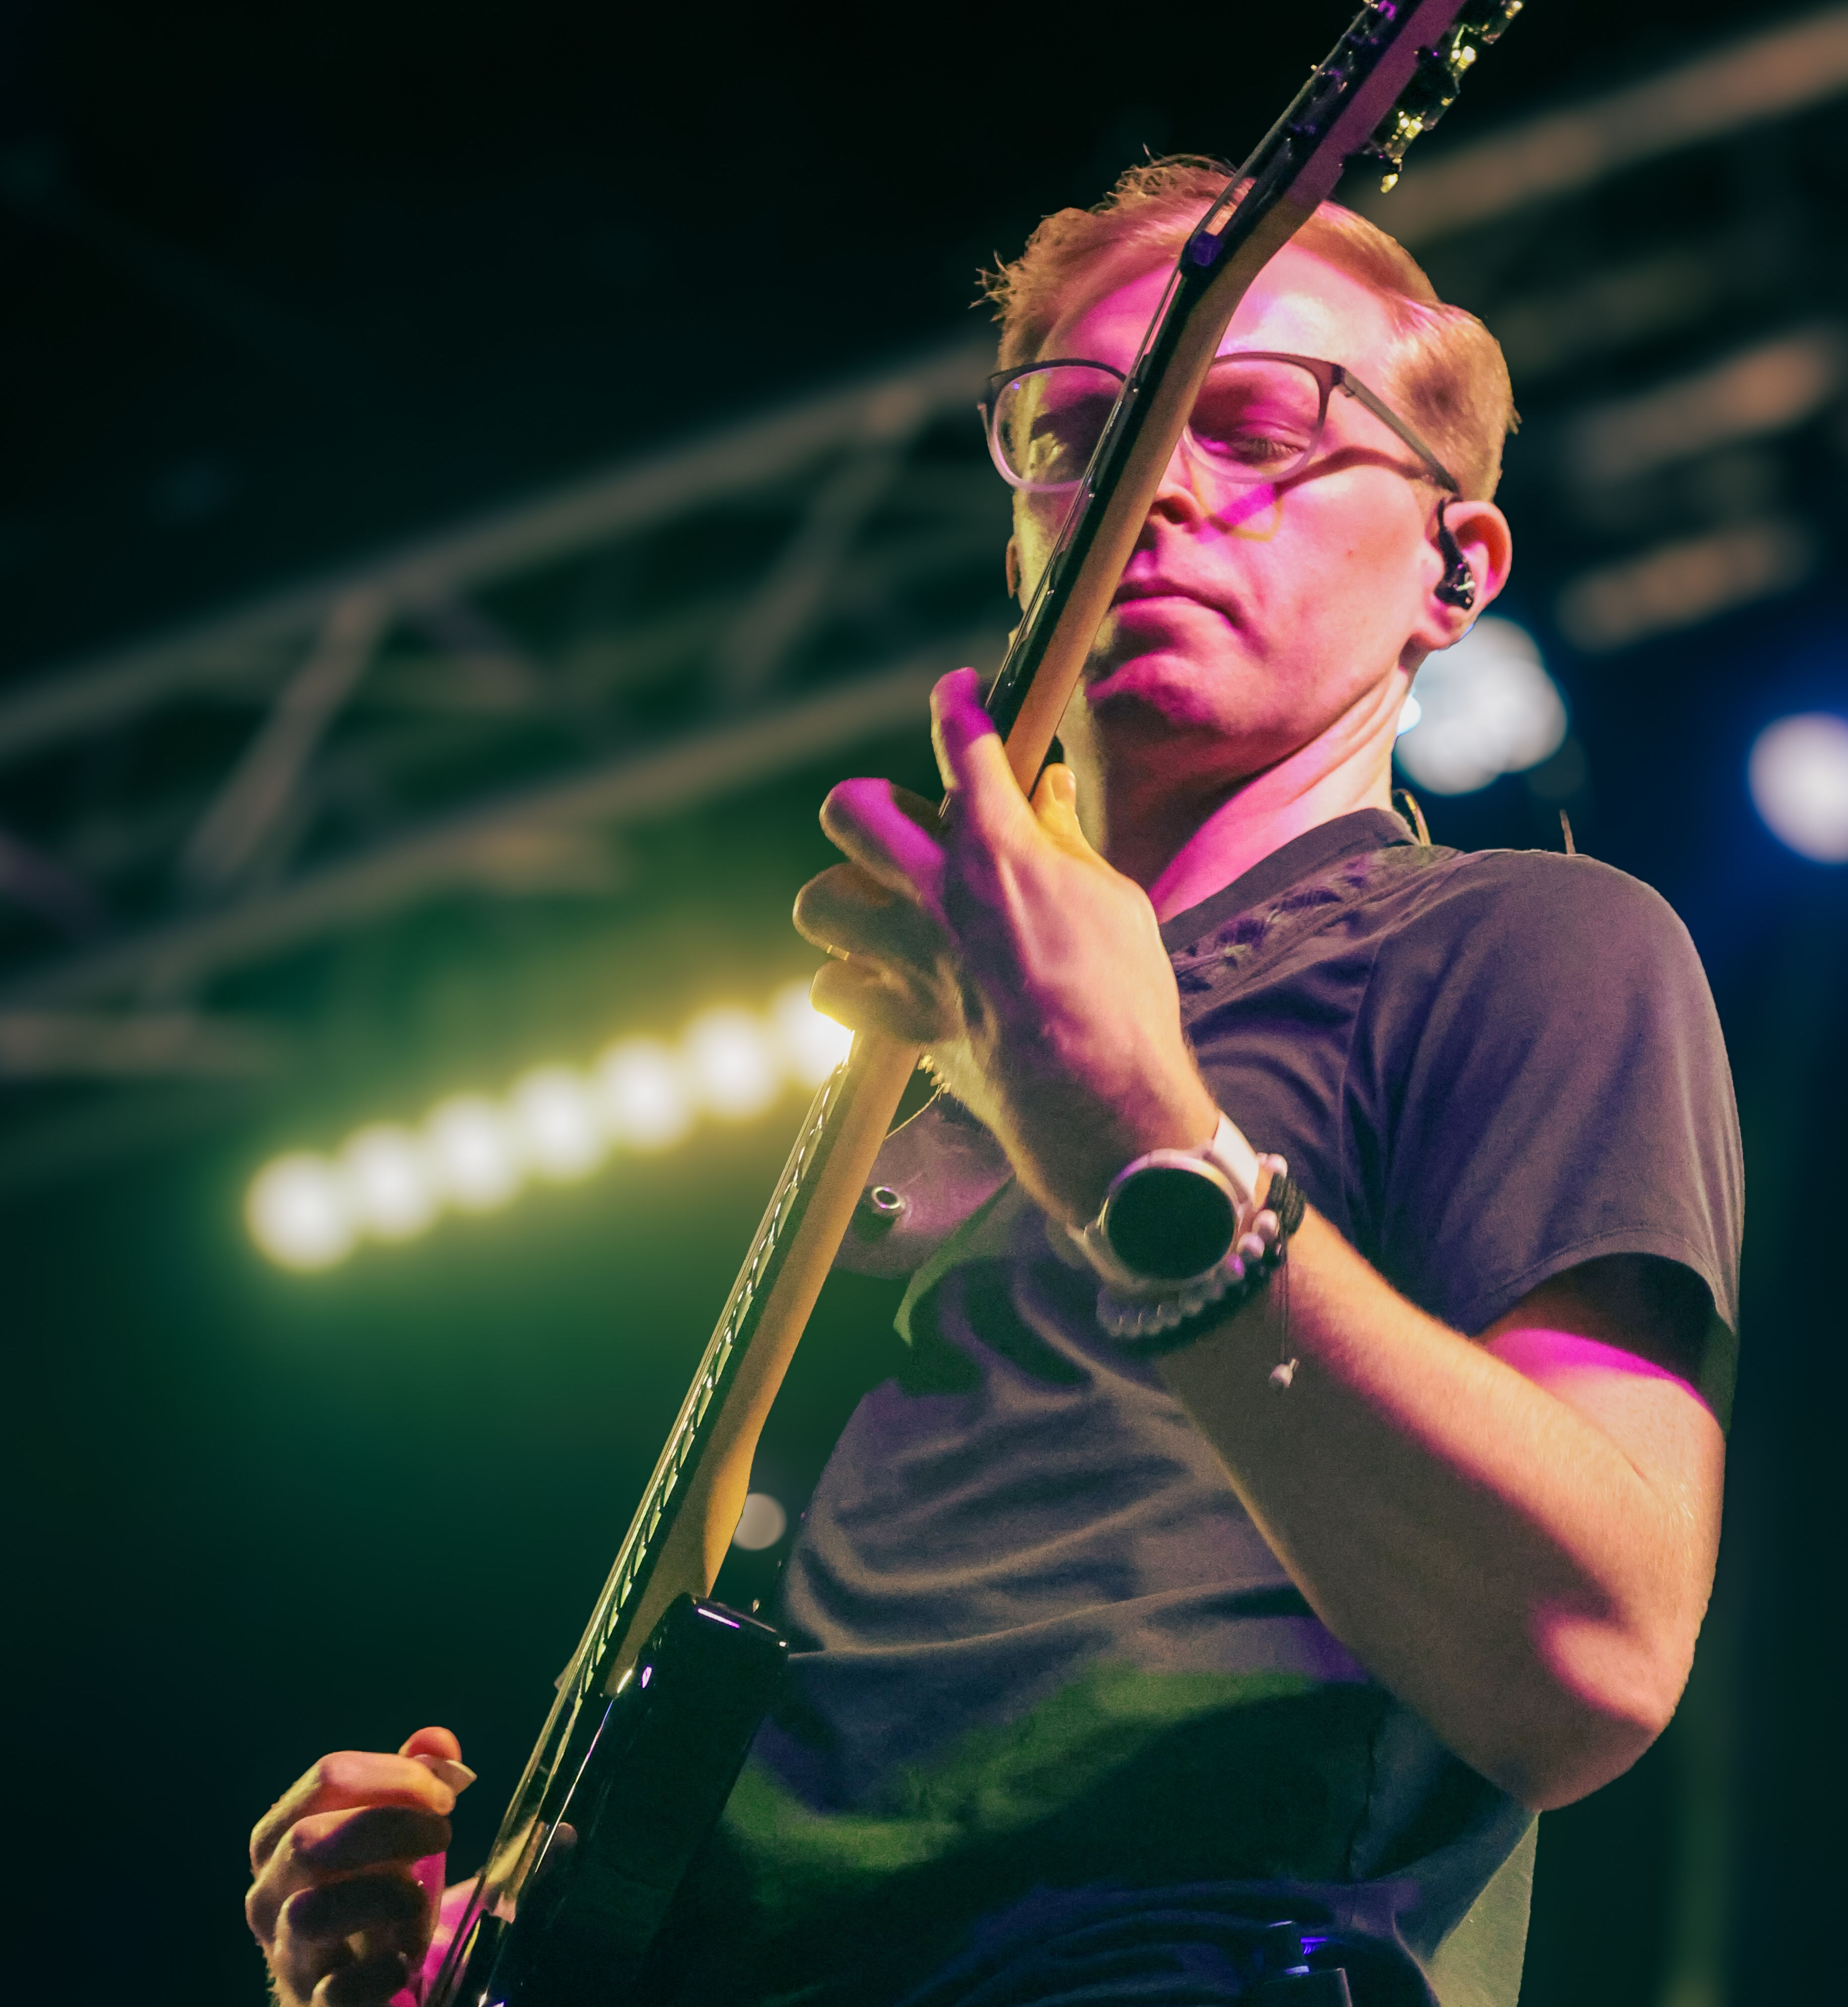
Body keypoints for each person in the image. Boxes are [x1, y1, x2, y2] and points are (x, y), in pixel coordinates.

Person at [246, 159, 1741, 2007]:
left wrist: (1134, 1136)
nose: (1157, 488)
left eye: (1261, 424)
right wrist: (511, 1946)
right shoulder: (903, 1085)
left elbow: (1590, 1649)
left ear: (1456, 566)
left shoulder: (1526, 945)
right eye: (1078, 439)